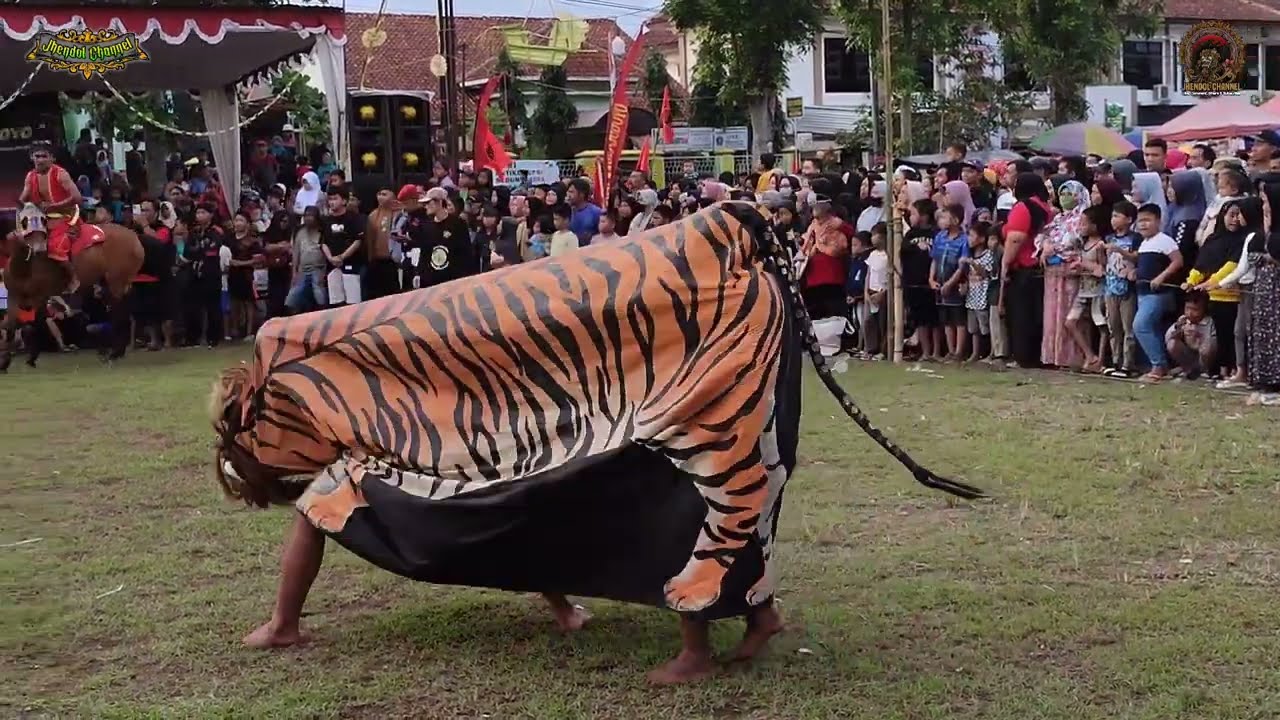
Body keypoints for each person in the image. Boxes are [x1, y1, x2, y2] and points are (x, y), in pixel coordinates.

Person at [1184, 197, 1258, 379]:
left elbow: (1232, 266)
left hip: (1233, 295)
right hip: (1214, 296)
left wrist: (1213, 282)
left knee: (1237, 336)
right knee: (1222, 336)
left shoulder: (1243, 239)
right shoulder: (1213, 239)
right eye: (1230, 215)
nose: (1234, 220)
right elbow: (1201, 264)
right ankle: (1222, 370)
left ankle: (1237, 369)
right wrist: (1191, 281)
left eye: (1237, 215)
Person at [1000, 172, 1054, 369]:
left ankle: (1023, 356)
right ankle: (1034, 354)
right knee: (1035, 314)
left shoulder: (1023, 207)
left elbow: (1016, 238)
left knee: (1021, 315)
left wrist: (1005, 263)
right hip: (1038, 269)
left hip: (1022, 266)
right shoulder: (1046, 208)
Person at [1133, 203, 1185, 383]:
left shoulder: (1165, 240)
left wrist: (1161, 277)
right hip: (1143, 292)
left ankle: (1158, 365)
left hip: (1158, 294)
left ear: (1158, 221)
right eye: (1140, 221)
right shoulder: (1144, 243)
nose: (1143, 225)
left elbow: (1177, 261)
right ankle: (1161, 364)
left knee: (1141, 325)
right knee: (1152, 329)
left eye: (1147, 220)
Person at [18, 143, 81, 286]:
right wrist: (22, 204)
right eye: (37, 156)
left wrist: (53, 206)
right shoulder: (30, 176)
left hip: (67, 216)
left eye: (44, 156)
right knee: (23, 241)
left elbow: (77, 198)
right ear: (32, 158)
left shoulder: (61, 174)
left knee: (54, 247)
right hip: (41, 217)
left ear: (52, 158)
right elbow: (24, 196)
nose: (40, 160)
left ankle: (73, 279)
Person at [1065, 205, 1109, 371]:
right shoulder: (1084, 244)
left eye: (1083, 223)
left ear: (1095, 225)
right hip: (1083, 290)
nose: (1080, 227)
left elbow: (1102, 270)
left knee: (1101, 324)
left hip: (1097, 291)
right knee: (1070, 322)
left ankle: (1101, 359)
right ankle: (1090, 355)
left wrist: (1084, 264)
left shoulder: (1099, 246)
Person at [1103, 201, 1141, 377]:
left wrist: (1120, 251)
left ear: (1129, 219)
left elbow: (1137, 257)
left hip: (1127, 288)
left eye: (1117, 216)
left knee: (1128, 327)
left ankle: (1128, 363)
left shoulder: (1135, 238)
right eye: (1112, 215)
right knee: (1113, 326)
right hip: (1110, 287)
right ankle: (1116, 361)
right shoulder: (1109, 238)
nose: (1113, 219)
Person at [799, 195, 850, 320]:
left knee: (834, 312)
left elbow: (848, 238)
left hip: (832, 274)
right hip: (812, 275)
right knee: (816, 313)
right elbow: (806, 244)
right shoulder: (812, 225)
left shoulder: (837, 223)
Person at [415, 187, 475, 289]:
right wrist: (419, 274)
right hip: (432, 282)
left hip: (453, 280)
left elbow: (466, 253)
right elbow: (424, 253)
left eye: (428, 202)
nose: (426, 206)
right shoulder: (426, 226)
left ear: (439, 202)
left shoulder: (458, 224)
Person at [932, 204, 971, 359]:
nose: (941, 221)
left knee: (958, 318)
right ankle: (950, 349)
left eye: (945, 217)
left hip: (955, 284)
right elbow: (934, 259)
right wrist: (931, 278)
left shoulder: (964, 240)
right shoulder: (939, 237)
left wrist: (950, 283)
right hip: (939, 282)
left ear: (955, 220)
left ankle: (959, 351)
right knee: (946, 319)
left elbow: (962, 266)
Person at [321, 189, 364, 306]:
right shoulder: (326, 220)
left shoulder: (354, 218)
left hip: (351, 264)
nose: (332, 202)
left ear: (344, 201)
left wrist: (342, 257)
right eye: (330, 199)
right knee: (336, 302)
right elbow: (323, 242)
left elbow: (358, 240)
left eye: (335, 199)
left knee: (353, 301)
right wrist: (330, 258)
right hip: (332, 266)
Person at [960, 220, 994, 361]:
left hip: (982, 296)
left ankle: (990, 352)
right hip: (972, 296)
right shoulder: (971, 254)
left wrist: (972, 263)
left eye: (972, 235)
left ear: (981, 239)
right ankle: (974, 353)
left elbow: (985, 273)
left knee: (985, 326)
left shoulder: (988, 255)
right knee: (973, 328)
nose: (969, 238)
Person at [227, 211, 263, 340]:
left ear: (247, 224)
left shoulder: (252, 241)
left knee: (249, 303)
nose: (237, 223)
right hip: (232, 275)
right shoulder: (229, 239)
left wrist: (241, 263)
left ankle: (250, 332)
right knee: (234, 302)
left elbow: (258, 259)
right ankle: (234, 330)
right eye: (236, 220)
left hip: (247, 275)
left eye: (241, 220)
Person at [285, 206, 328, 314]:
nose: (308, 218)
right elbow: (296, 253)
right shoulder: (299, 232)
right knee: (292, 297)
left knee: (319, 294)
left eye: (311, 215)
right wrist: (294, 272)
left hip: (318, 268)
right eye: (306, 215)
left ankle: (322, 316)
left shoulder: (322, 231)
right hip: (302, 269)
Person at [1165, 292, 1217, 379]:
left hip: (1204, 357)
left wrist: (1198, 336)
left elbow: (1213, 346)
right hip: (1189, 355)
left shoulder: (1210, 322)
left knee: (1207, 348)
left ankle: (1205, 371)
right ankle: (1188, 369)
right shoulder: (1184, 320)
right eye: (1187, 308)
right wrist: (1177, 327)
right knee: (1172, 344)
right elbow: (1167, 338)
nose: (1190, 313)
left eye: (1195, 310)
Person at [363, 187, 401, 300]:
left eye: (384, 194)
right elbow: (369, 240)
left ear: (393, 195)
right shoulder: (373, 215)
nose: (380, 196)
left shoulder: (400, 212)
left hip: (394, 262)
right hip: (377, 262)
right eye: (379, 194)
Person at [863, 225, 889, 358]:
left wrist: (884, 293)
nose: (873, 238)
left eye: (875, 235)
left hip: (883, 292)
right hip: (871, 292)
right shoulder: (872, 255)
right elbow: (868, 274)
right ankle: (870, 348)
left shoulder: (889, 255)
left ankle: (883, 350)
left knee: (883, 322)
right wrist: (866, 293)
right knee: (868, 321)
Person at [565, 178, 602, 247]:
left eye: (571, 192)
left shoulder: (595, 212)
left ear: (581, 194)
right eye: (567, 192)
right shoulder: (566, 211)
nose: (568, 195)